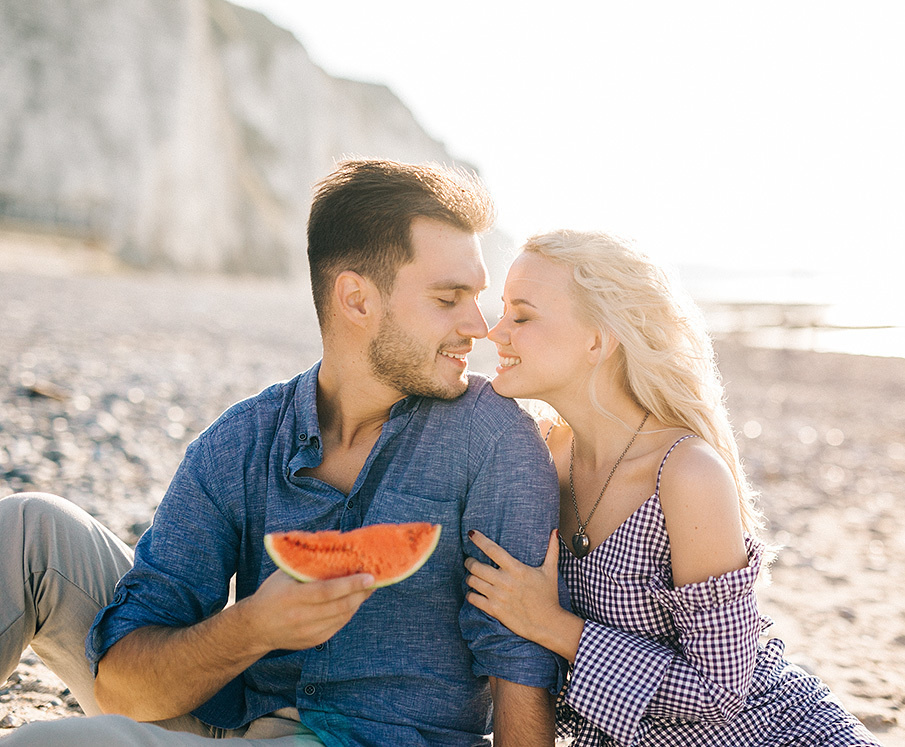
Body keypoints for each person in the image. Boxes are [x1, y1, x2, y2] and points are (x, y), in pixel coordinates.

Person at [0, 160, 561, 746]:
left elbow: (517, 668)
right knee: (30, 529)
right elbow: (121, 690)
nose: (480, 325)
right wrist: (254, 627)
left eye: (478, 296)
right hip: (233, 721)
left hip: (375, 739)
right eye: (449, 299)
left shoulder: (494, 438)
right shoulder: (243, 442)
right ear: (357, 300)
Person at [464, 229, 881, 746]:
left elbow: (719, 689)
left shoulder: (686, 475)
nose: (495, 332)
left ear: (598, 339)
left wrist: (551, 626)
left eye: (521, 316)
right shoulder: (536, 455)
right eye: (502, 311)